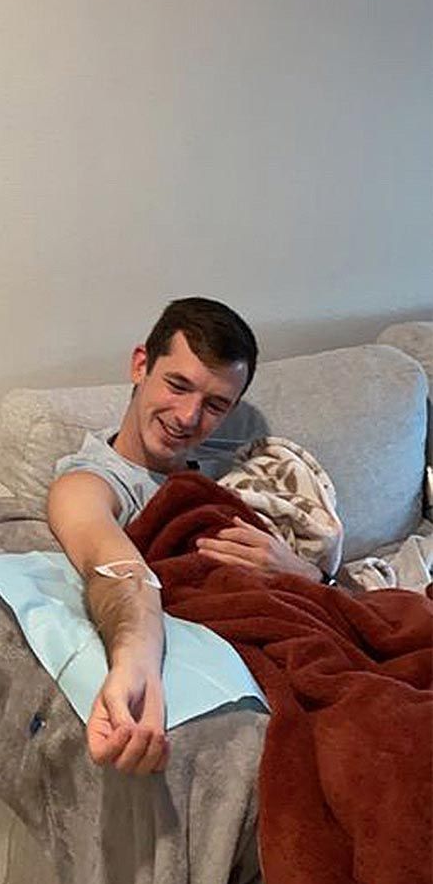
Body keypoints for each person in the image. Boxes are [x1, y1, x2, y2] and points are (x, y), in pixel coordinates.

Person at [47, 297, 324, 777]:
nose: (189, 417)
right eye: (178, 385)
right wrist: (135, 663)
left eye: (215, 405)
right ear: (140, 366)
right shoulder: (89, 483)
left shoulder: (235, 464)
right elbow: (115, 566)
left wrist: (305, 573)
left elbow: (316, 563)